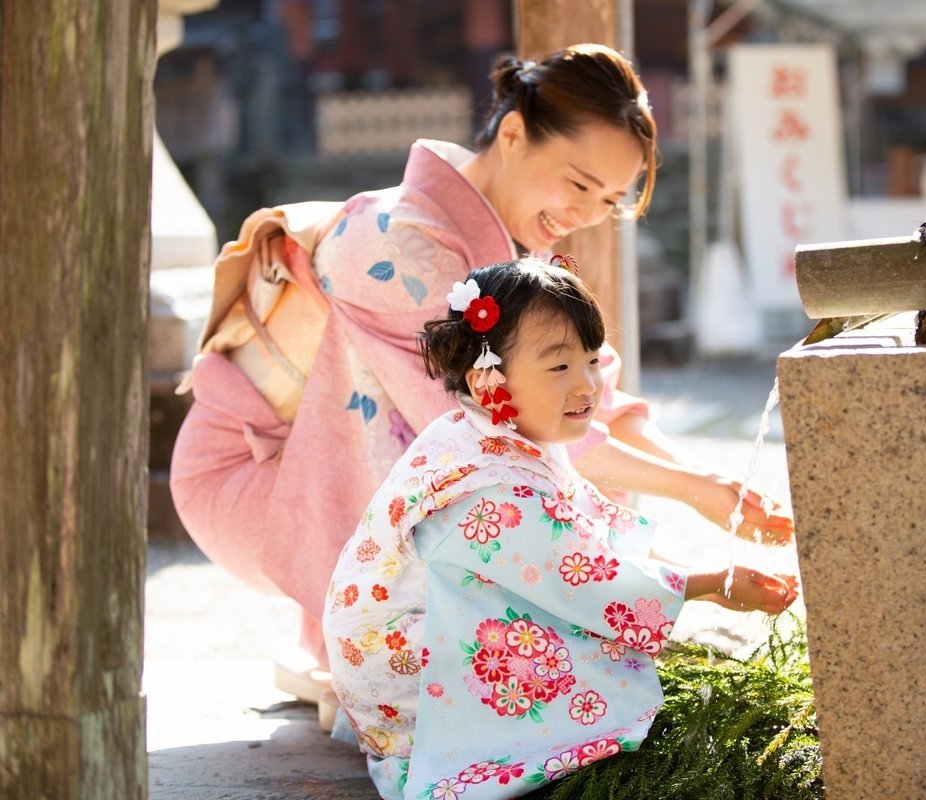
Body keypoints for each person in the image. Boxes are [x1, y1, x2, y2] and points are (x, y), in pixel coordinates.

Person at [170, 43, 792, 675]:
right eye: (579, 182)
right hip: (252, 473)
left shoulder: (519, 261)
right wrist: (690, 494)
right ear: (516, 134)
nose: (585, 213)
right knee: (498, 444)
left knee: (565, 413)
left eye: (609, 201)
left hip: (314, 456)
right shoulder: (395, 240)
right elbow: (514, 424)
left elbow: (595, 398)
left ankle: (543, 641)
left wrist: (713, 488)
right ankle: (409, 660)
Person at [323, 259, 798, 800]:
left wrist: (687, 576)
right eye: (559, 367)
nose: (588, 385)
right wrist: (711, 583)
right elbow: (581, 579)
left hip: (404, 640)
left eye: (592, 361)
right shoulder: (486, 484)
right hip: (407, 675)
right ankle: (452, 756)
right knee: (563, 652)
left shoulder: (485, 433)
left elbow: (580, 536)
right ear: (487, 381)